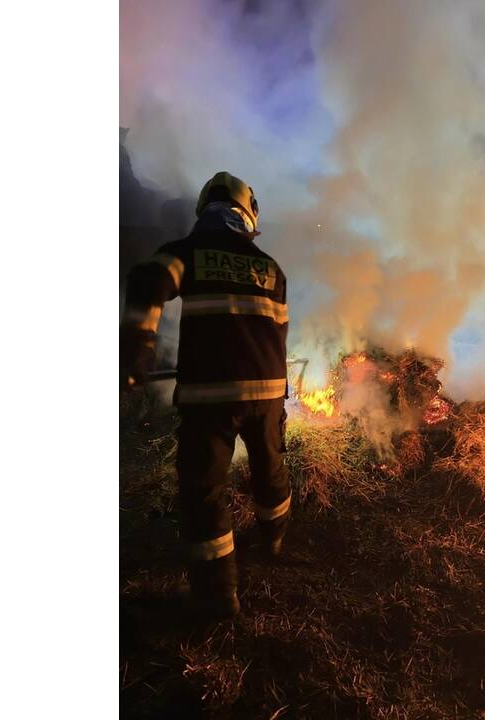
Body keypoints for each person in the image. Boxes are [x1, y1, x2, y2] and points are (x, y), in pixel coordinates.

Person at [121, 171, 291, 619]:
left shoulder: (188, 252)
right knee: (270, 469)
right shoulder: (271, 268)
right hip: (269, 393)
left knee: (204, 490)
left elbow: (147, 280)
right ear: (249, 214)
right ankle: (274, 539)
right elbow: (277, 333)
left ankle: (217, 595)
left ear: (204, 210)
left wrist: (137, 351)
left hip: (210, 396)